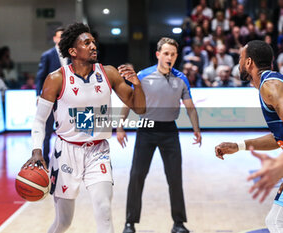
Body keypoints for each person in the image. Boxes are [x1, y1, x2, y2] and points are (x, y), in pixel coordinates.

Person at [22, 23, 146, 233]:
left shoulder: (109, 73)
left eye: (93, 42)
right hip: (66, 153)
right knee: (64, 222)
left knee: (104, 211)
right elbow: (39, 120)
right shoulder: (56, 79)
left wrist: (138, 85)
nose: (93, 45)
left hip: (98, 151)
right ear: (73, 51)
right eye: (86, 42)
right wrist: (36, 151)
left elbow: (140, 109)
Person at [117, 37, 202, 233]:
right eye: (166, 53)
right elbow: (129, 101)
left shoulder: (181, 79)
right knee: (137, 176)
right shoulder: (143, 76)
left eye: (173, 54)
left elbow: (190, 107)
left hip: (169, 131)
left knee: (175, 178)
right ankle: (130, 223)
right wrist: (120, 127)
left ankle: (179, 223)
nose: (169, 57)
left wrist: (196, 129)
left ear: (176, 56)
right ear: (158, 55)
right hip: (146, 129)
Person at [215, 40, 283, 232]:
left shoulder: (270, 87)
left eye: (240, 58)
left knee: (277, 222)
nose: (238, 63)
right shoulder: (269, 85)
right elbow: (279, 137)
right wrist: (239, 145)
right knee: (276, 221)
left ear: (249, 63)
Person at [35, 27, 67, 168]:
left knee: (67, 131)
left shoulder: (72, 55)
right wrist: (38, 94)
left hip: (66, 100)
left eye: (64, 37)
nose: (61, 39)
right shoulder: (47, 55)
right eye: (59, 37)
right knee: (47, 131)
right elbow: (40, 76)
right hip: (50, 98)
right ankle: (45, 160)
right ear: (54, 38)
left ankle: (65, 160)